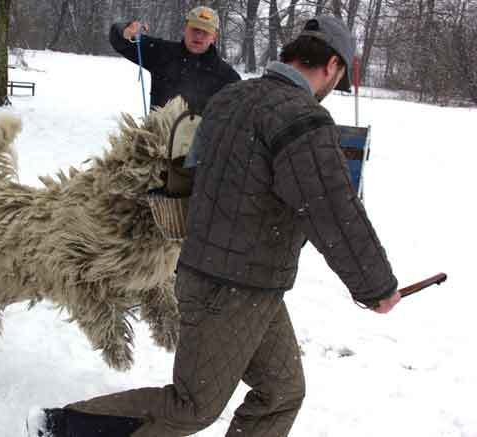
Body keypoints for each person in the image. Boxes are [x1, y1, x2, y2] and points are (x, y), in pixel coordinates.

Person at [26, 15, 402, 437]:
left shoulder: (229, 99)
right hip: (230, 289)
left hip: (244, 281)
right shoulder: (304, 120)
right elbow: (333, 211)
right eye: (339, 78)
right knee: (192, 406)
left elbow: (200, 176)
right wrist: (376, 287)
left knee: (280, 391)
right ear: (331, 66)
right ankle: (60, 429)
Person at [109, 6, 241, 115]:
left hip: (202, 144)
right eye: (195, 29)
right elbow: (118, 40)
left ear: (214, 37)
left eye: (205, 31)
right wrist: (125, 30)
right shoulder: (161, 52)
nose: (199, 35)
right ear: (186, 28)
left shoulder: (228, 77)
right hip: (159, 141)